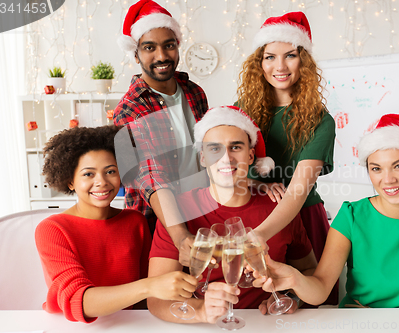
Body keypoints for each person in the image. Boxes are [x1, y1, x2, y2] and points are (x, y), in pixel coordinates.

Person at [252, 114, 399, 308]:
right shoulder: (351, 216)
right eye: (376, 169)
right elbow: (321, 289)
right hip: (358, 323)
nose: (388, 179)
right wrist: (294, 278)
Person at [147, 106, 317, 323]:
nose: (226, 158)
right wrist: (201, 311)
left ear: (251, 154)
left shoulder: (280, 210)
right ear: (202, 158)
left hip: (271, 324)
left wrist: (293, 297)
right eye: (214, 149)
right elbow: (156, 298)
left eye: (235, 147)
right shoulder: (178, 211)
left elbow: (309, 270)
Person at [35, 126, 198, 323]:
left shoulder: (134, 222)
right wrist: (150, 286)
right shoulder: (52, 229)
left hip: (126, 323)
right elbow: (78, 300)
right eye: (88, 174)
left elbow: (142, 301)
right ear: (70, 181)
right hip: (70, 326)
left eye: (110, 171)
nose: (101, 182)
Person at [235, 11, 337, 304]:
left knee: (309, 304)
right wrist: (258, 185)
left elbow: (298, 191)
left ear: (303, 61)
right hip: (250, 214)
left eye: (290, 55)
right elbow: (225, 170)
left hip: (301, 216)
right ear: (259, 62)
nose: (279, 66)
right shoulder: (240, 111)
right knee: (254, 306)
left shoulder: (321, 121)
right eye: (269, 57)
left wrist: (257, 237)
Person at [114, 0, 209, 258]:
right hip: (159, 223)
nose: (162, 56)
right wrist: (180, 236)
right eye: (149, 48)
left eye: (169, 45)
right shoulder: (127, 109)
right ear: (136, 54)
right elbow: (148, 174)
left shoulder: (195, 92)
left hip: (202, 212)